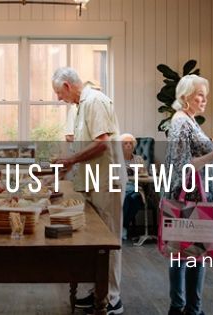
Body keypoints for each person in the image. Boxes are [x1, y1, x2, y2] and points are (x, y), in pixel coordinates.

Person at [50, 67, 126, 314]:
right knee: (95, 240)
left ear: (68, 86)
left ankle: (112, 298)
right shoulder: (82, 104)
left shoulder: (94, 101)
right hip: (95, 181)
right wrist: (68, 165)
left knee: (109, 239)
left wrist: (71, 160)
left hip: (107, 182)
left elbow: (102, 144)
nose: (59, 98)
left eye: (58, 93)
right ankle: (99, 292)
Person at [163, 74, 213, 315]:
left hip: (194, 197)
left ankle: (185, 306)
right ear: (185, 97)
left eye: (205, 95)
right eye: (199, 96)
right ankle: (188, 308)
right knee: (191, 254)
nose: (204, 100)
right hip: (191, 198)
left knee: (186, 253)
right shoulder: (182, 122)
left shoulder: (188, 120)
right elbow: (184, 165)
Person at [119, 133, 147, 241]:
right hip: (122, 188)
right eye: (125, 143)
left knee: (135, 197)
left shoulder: (139, 159)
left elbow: (145, 175)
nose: (128, 145)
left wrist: (138, 173)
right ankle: (123, 226)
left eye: (130, 143)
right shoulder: (117, 160)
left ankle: (123, 226)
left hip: (137, 187)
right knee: (127, 196)